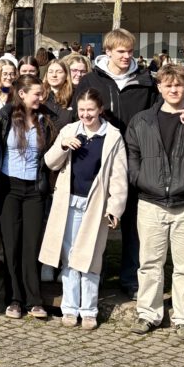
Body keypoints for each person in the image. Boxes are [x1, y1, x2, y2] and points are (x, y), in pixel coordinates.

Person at [72, 28, 157, 297]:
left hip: (134, 157)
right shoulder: (90, 81)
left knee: (132, 222)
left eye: (130, 51)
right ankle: (91, 277)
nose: (126, 56)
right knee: (94, 219)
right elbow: (80, 115)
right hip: (98, 156)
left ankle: (130, 279)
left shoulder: (145, 81)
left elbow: (152, 117)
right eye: (121, 51)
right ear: (107, 51)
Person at [124, 64, 184, 340]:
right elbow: (132, 153)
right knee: (149, 263)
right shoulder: (142, 120)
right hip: (150, 201)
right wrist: (139, 178)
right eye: (167, 85)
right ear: (159, 87)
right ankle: (148, 313)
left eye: (178, 85)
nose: (173, 89)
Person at [40, 89, 128, 330]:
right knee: (68, 257)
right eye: (81, 110)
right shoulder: (69, 131)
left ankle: (89, 309)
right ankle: (69, 307)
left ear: (100, 109)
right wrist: (63, 146)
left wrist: (115, 208)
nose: (86, 115)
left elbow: (119, 176)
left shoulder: (112, 136)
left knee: (90, 257)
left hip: (95, 205)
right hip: (68, 203)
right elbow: (49, 162)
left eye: (90, 110)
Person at [0, 76, 55, 320]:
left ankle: (34, 299)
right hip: (9, 187)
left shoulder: (46, 119)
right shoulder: (6, 117)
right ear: (22, 94)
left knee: (31, 245)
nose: (41, 98)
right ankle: (14, 299)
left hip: (34, 188)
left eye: (42, 94)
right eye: (36, 94)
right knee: (12, 245)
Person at [42, 60, 73, 127]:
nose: (54, 75)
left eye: (59, 72)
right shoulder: (39, 96)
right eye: (50, 72)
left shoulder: (74, 97)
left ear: (66, 75)